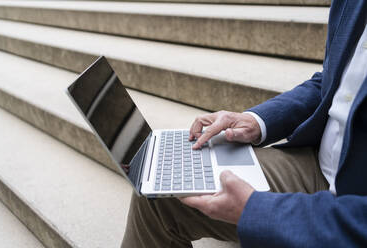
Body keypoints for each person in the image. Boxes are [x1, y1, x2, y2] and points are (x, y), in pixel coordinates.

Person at [121, 1, 367, 247]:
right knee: (161, 194)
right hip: (319, 165)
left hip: (353, 205)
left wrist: (257, 210)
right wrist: (255, 120)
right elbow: (331, 81)